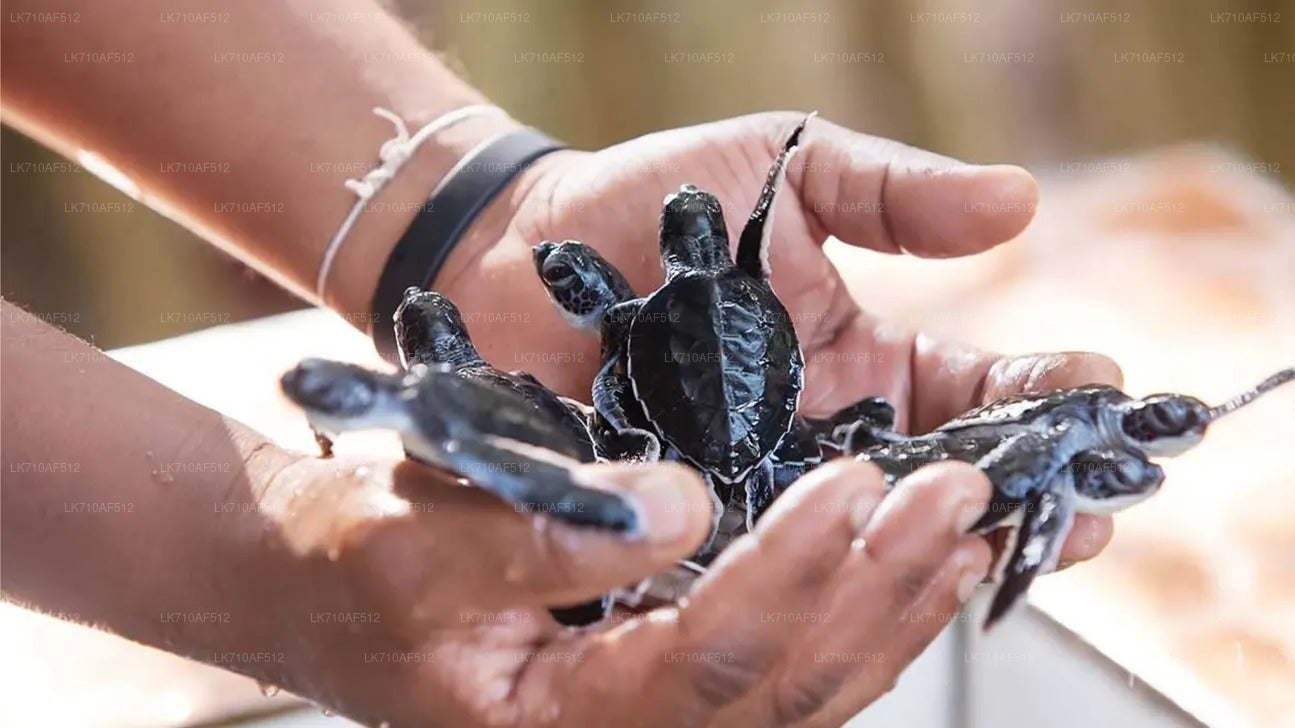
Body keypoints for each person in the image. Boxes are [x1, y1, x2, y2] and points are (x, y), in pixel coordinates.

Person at [0, 2, 1121, 726]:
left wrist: (478, 204)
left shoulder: (634, 305)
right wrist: (263, 548)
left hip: (674, 416)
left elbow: (592, 298)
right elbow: (626, 309)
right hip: (716, 419)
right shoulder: (691, 293)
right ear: (713, 246)